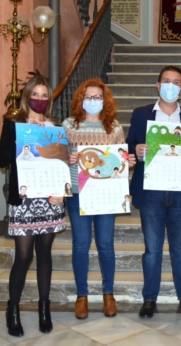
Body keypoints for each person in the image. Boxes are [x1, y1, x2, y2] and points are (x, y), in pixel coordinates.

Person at [127, 65, 181, 319]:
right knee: (152, 249)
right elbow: (128, 149)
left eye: (176, 82)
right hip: (151, 192)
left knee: (180, 250)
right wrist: (135, 152)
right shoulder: (140, 115)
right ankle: (149, 299)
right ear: (158, 86)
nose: (171, 85)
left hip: (180, 192)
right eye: (166, 81)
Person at [0, 75, 65, 337]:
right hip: (24, 200)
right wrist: (19, 141)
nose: (39, 99)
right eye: (35, 95)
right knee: (23, 256)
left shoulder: (55, 127)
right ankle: (12, 309)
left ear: (49, 100)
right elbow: (2, 160)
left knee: (45, 254)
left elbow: (60, 165)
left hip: (49, 200)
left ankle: (44, 309)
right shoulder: (13, 123)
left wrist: (62, 194)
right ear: (27, 97)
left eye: (44, 95)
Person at [63, 78, 136, 320]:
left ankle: (108, 294)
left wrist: (128, 162)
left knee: (106, 244)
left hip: (106, 195)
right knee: (81, 245)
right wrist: (67, 159)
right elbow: (58, 159)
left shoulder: (113, 127)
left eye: (97, 97)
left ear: (105, 101)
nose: (93, 101)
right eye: (88, 96)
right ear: (80, 99)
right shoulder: (68, 125)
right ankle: (82, 296)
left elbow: (119, 160)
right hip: (78, 194)